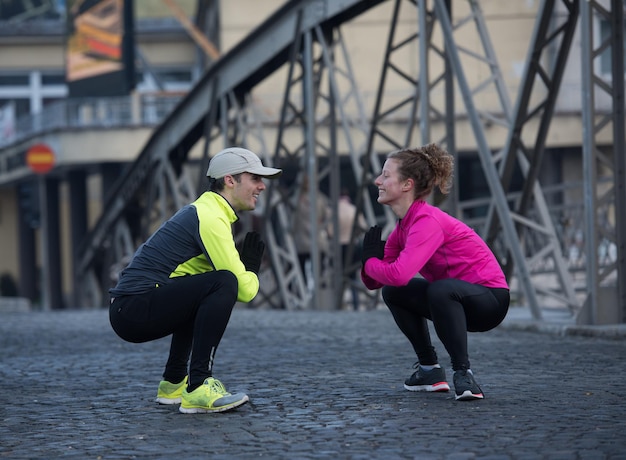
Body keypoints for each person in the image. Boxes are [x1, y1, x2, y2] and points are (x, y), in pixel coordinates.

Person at [109, 147, 282, 413]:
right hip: (134, 310)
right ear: (230, 180)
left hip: (128, 308)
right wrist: (250, 269)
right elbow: (244, 290)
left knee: (203, 285)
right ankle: (199, 385)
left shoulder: (205, 210)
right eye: (255, 178)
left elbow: (186, 283)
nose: (262, 186)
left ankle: (173, 384)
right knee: (223, 282)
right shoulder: (211, 217)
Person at [360, 144, 509, 401]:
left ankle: (464, 374)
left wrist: (370, 262)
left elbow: (398, 273)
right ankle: (429, 369)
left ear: (407, 185)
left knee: (440, 289)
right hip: (452, 300)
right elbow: (379, 281)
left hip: (490, 301)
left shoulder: (427, 221)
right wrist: (369, 260)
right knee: (395, 292)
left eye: (385, 175)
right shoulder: (403, 227)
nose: (377, 180)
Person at [337, 191, 366, 310]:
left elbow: (329, 230)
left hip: (339, 246)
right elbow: (363, 226)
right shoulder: (354, 210)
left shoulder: (334, 210)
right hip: (352, 245)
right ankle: (356, 303)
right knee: (354, 276)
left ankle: (339, 303)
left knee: (338, 276)